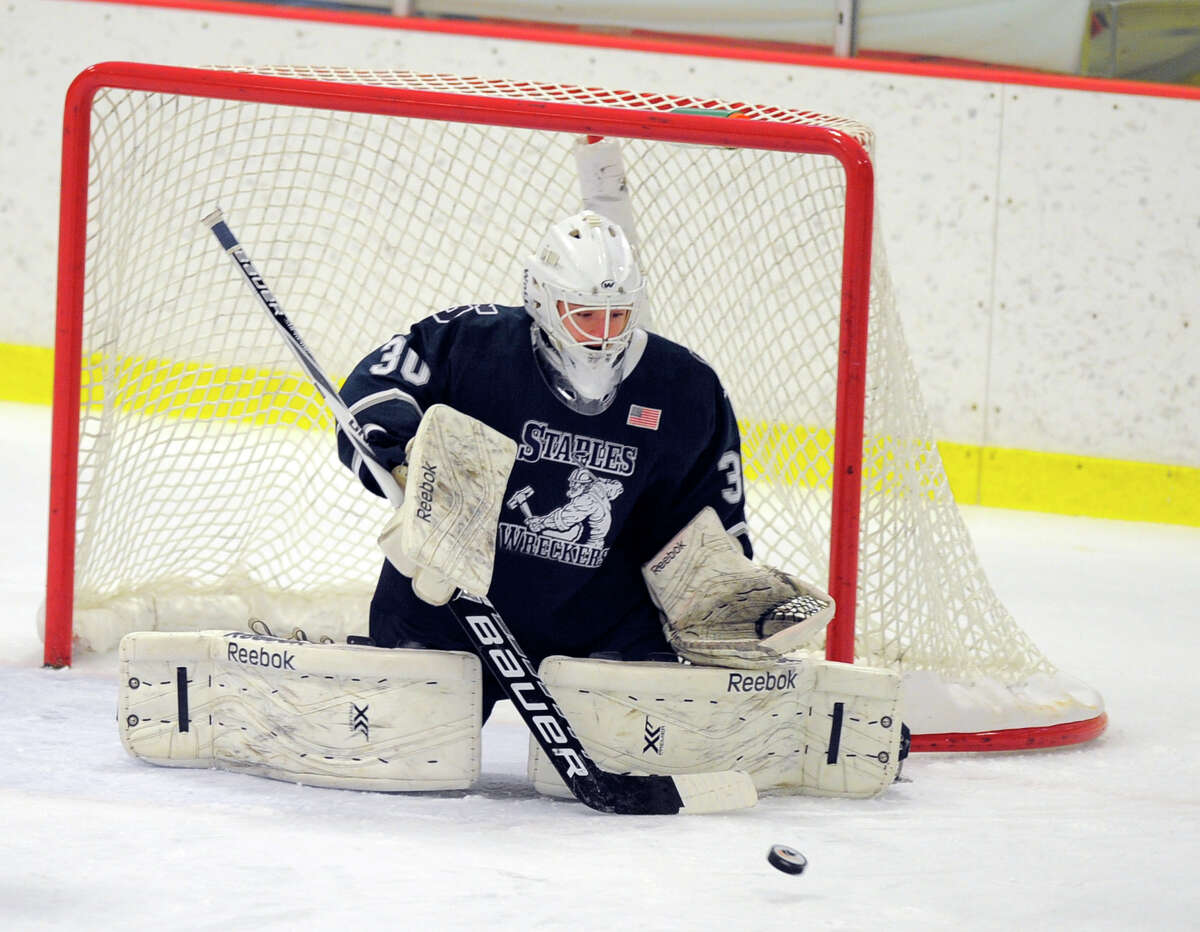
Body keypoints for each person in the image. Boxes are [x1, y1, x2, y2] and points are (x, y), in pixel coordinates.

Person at [337, 210, 751, 721]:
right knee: (411, 752)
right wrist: (402, 461)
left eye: (616, 315)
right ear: (543, 297)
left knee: (639, 751)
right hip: (450, 606)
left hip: (601, 619)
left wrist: (727, 594)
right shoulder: (471, 343)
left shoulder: (685, 385)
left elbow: (708, 516)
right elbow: (376, 390)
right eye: (585, 314)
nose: (603, 334)